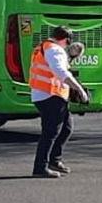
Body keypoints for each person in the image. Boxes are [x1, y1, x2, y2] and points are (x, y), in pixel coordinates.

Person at [29, 28, 88, 178]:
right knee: (50, 133)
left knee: (66, 128)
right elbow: (60, 72)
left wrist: (71, 57)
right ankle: (40, 167)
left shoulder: (44, 47)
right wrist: (79, 89)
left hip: (44, 94)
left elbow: (53, 67)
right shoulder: (55, 50)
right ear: (66, 40)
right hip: (50, 95)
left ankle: (54, 160)